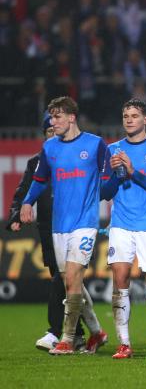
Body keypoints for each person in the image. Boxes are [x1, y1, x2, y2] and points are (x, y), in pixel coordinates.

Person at [20, 96, 108, 355]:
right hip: (59, 226)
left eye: (57, 117)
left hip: (85, 223)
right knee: (74, 283)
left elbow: (110, 178)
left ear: (71, 117)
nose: (52, 121)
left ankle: (67, 339)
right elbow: (39, 179)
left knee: (71, 278)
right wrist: (27, 202)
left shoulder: (95, 145)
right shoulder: (50, 148)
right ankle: (96, 332)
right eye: (51, 117)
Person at [101, 99, 146, 359]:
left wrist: (133, 172)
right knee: (120, 280)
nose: (129, 120)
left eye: (134, 115)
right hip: (121, 224)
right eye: (125, 115)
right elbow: (104, 193)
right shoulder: (112, 150)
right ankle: (124, 343)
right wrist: (112, 175)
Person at [7, 113, 87, 351]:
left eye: (56, 130)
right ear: (45, 136)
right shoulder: (37, 162)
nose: (54, 135)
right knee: (67, 281)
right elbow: (23, 192)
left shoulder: (77, 159)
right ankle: (82, 333)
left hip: (76, 227)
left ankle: (56, 331)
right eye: (49, 132)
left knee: (61, 280)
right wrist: (16, 215)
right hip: (49, 230)